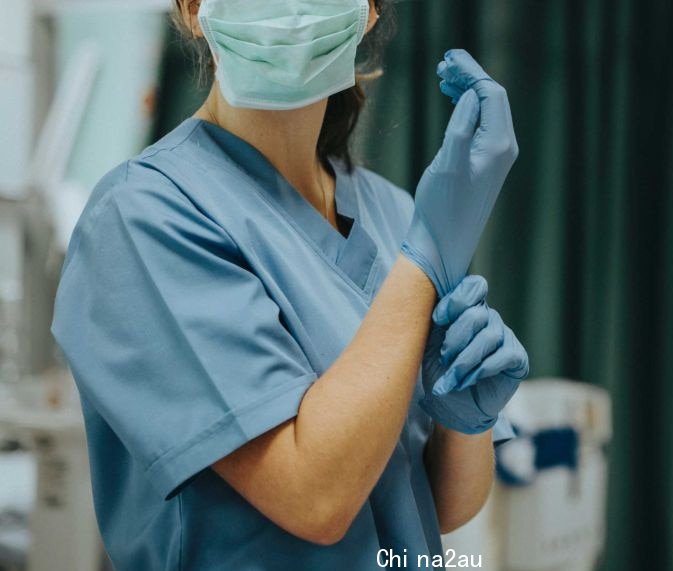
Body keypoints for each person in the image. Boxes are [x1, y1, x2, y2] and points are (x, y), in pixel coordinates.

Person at [51, 0, 528, 569]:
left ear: (369, 11)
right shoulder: (143, 217)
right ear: (192, 9)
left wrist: (464, 420)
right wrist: (425, 257)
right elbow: (316, 498)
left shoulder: (395, 213)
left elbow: (442, 506)